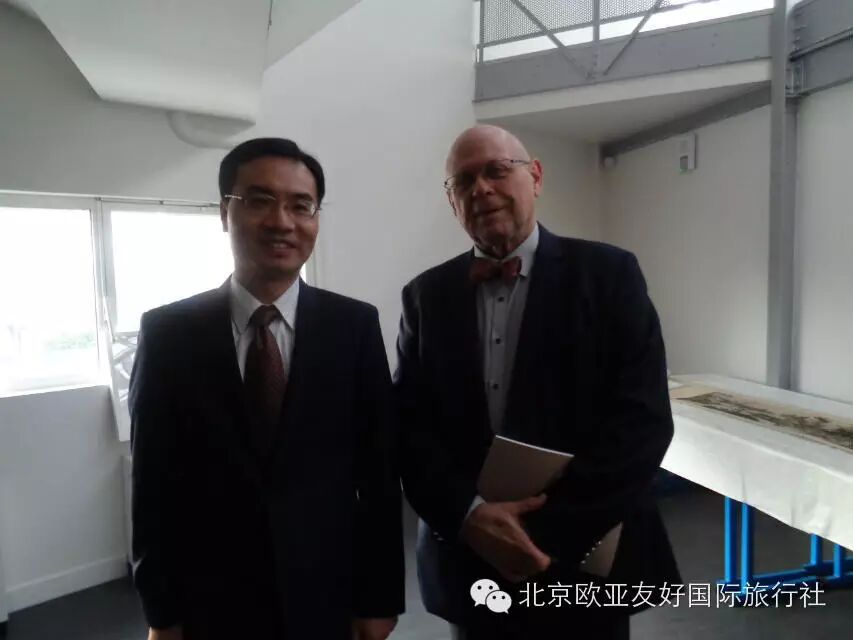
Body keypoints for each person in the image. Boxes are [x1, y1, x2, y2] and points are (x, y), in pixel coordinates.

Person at [394, 125, 680, 639]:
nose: (481, 188)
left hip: (585, 555)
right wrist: (469, 518)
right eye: (463, 181)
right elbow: (409, 430)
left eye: (497, 170)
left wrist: (536, 534)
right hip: (472, 561)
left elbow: (642, 422)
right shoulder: (425, 296)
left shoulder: (610, 275)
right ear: (452, 200)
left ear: (537, 177)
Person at [129, 138, 404, 640]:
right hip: (212, 601)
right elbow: (153, 486)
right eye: (259, 201)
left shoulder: (354, 327)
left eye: (301, 206)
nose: (282, 221)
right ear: (224, 212)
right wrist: (161, 613)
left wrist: (380, 598)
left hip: (326, 595)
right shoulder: (169, 333)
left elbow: (379, 478)